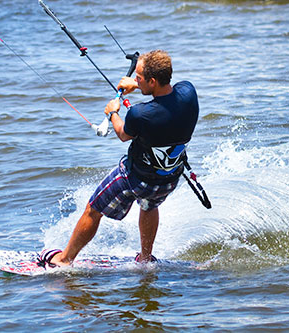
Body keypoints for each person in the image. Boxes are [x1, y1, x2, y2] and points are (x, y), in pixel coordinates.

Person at [39, 50, 199, 267]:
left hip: (135, 178)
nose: (136, 80)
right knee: (149, 206)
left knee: (93, 209)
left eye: (139, 78)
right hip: (169, 179)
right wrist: (137, 85)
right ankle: (144, 259)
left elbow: (124, 134)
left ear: (152, 81)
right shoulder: (189, 92)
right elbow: (168, 97)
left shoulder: (140, 114)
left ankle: (64, 260)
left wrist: (113, 112)